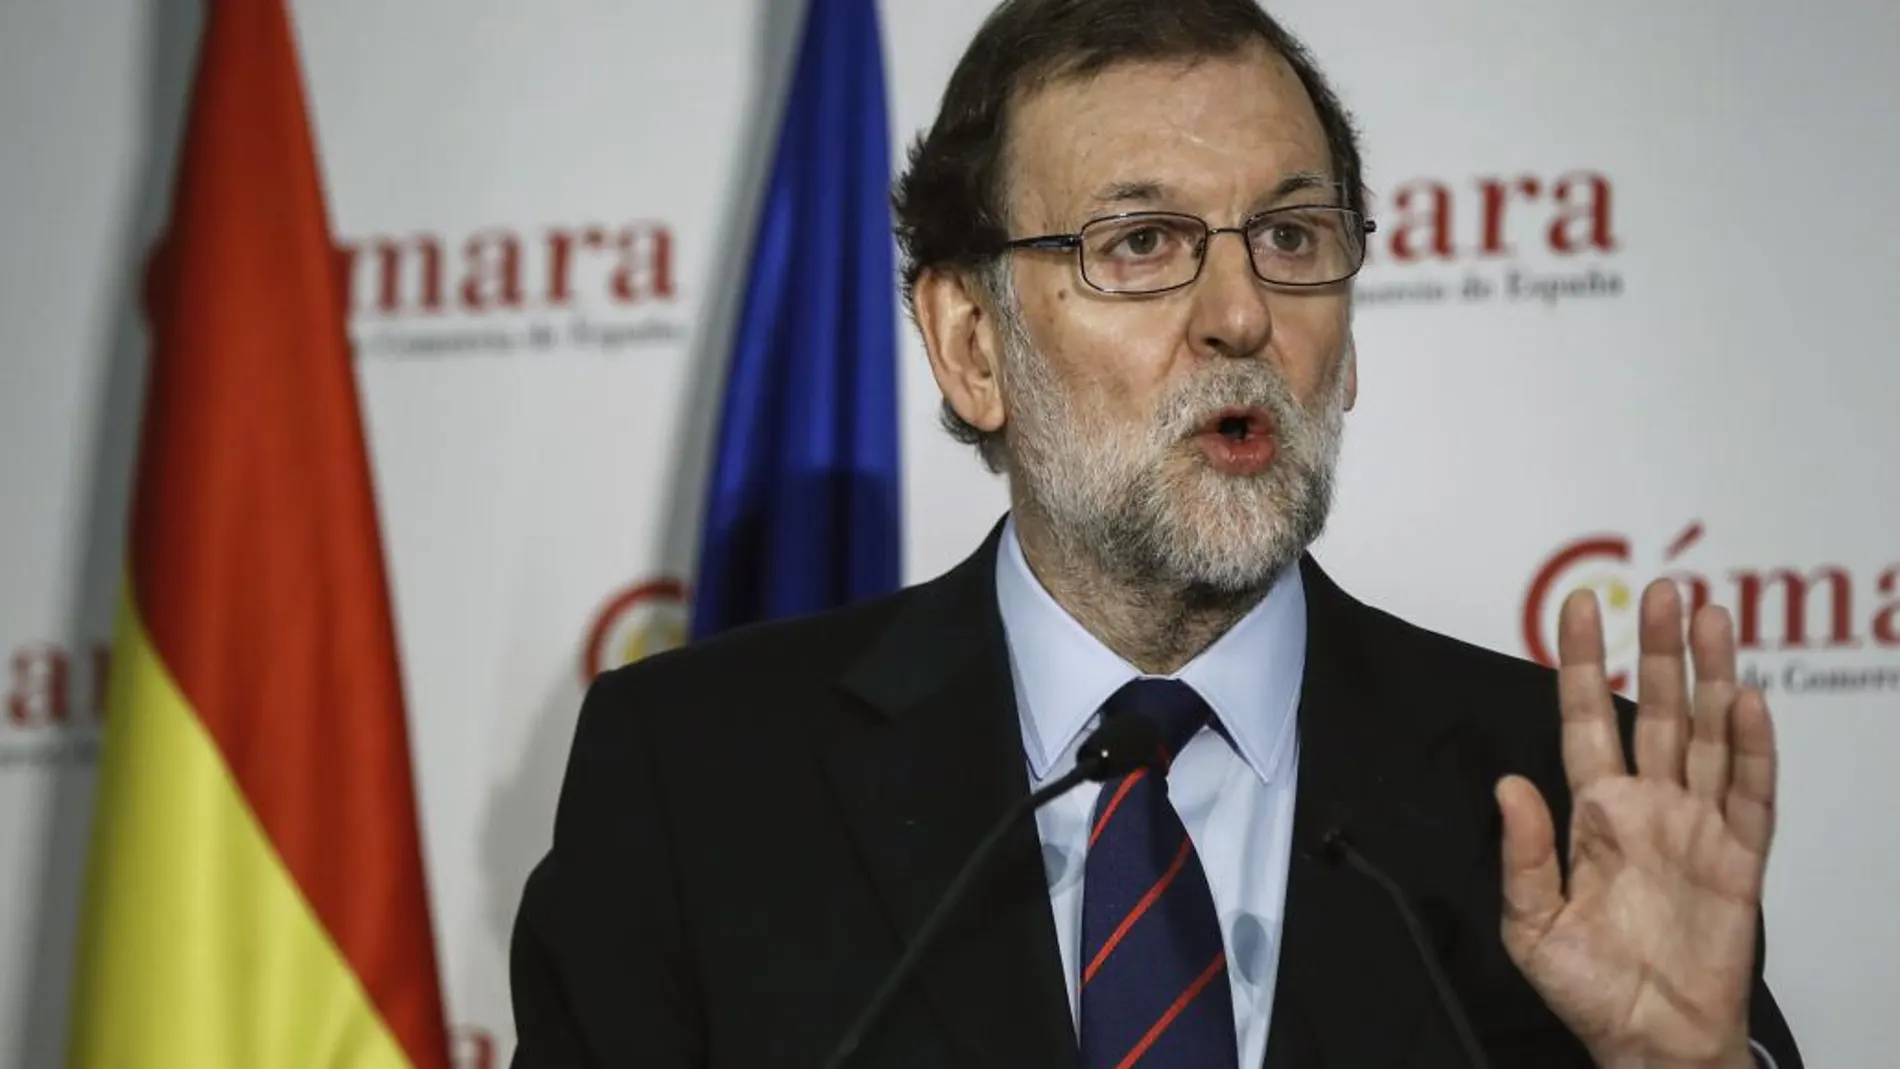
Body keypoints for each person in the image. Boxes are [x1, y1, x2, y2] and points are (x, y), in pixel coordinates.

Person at [508, 1, 1806, 1066]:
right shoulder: (695, 784)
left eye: (1292, 237)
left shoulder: (1572, 799)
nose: (1242, 314)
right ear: (972, 346)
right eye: (1141, 244)